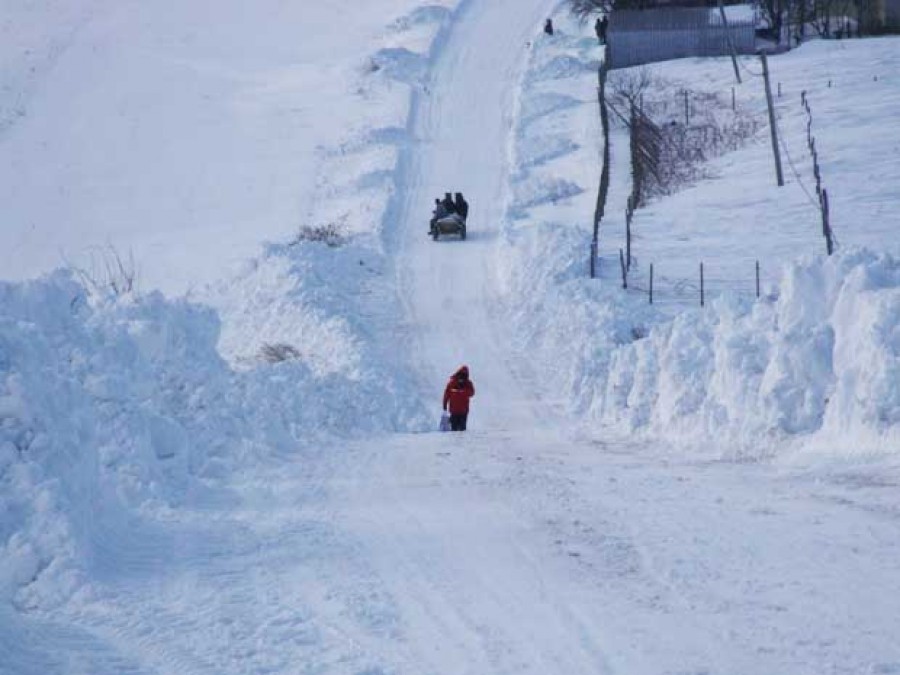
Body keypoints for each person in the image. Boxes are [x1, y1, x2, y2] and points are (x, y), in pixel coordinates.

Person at [443, 365, 475, 431]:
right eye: (461, 375)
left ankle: (462, 441)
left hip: (464, 412)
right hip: (454, 411)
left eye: (464, 375)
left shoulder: (468, 383)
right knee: (453, 430)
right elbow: (446, 395)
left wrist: (462, 391)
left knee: (462, 431)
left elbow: (472, 393)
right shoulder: (451, 383)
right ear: (458, 374)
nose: (462, 378)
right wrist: (444, 406)